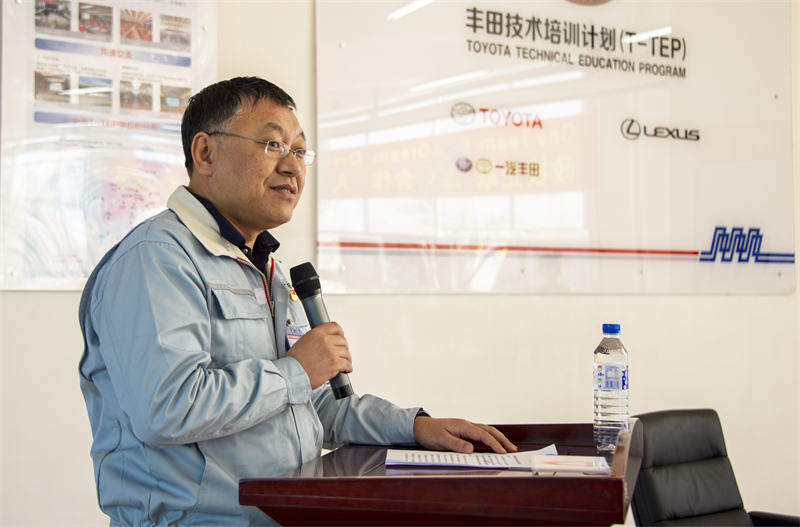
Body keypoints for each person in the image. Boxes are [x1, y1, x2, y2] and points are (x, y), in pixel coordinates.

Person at [78, 76, 516, 526]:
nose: (292, 167)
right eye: (272, 144)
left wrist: (415, 427)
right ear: (205, 153)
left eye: (301, 151)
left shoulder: (265, 267)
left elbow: (310, 404)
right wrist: (298, 371)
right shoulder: (156, 258)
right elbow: (168, 409)